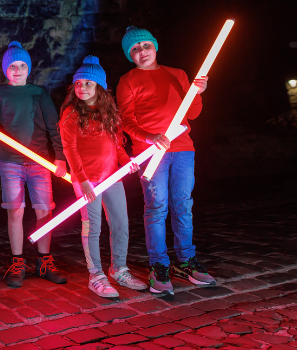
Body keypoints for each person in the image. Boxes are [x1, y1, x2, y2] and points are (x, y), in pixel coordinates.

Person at [117, 26, 216, 295]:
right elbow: (126, 120)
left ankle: (185, 261)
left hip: (183, 148)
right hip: (150, 154)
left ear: (155, 47)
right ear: (130, 55)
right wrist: (149, 138)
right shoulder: (128, 81)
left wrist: (198, 92)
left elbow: (192, 113)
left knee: (183, 204)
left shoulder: (178, 74)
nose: (142, 52)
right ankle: (159, 265)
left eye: (145, 46)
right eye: (135, 49)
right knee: (157, 207)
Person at [59, 56, 148, 298]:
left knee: (121, 223)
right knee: (92, 226)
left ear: (99, 86)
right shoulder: (71, 113)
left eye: (88, 83)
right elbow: (70, 149)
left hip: (112, 178)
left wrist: (125, 162)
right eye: (78, 83)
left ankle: (118, 269)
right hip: (87, 180)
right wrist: (83, 179)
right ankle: (95, 274)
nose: (82, 88)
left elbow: (117, 144)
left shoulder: (109, 113)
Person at [0, 41, 68, 288]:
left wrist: (59, 156)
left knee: (44, 211)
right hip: (10, 162)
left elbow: (53, 126)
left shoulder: (39, 93)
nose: (17, 70)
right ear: (5, 70)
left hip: (39, 162)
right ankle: (17, 262)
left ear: (28, 68)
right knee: (15, 211)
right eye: (12, 66)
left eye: (21, 66)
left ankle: (44, 260)